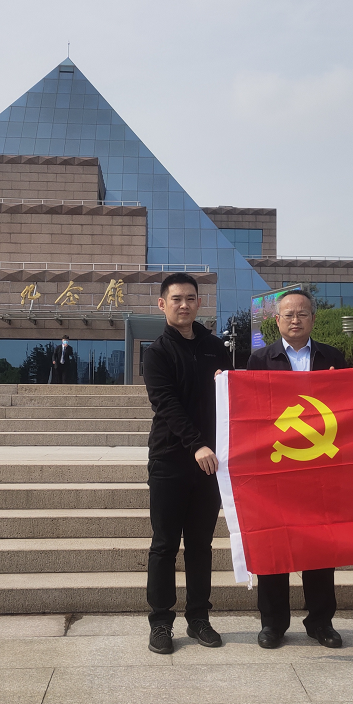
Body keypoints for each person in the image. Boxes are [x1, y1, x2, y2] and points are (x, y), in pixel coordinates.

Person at [246, 288, 346, 650]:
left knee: (320, 547)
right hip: (277, 468)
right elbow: (250, 414)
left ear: (313, 319)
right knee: (274, 544)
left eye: (302, 313)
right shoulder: (260, 360)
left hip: (321, 468)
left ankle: (321, 621)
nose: (294, 319)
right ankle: (273, 623)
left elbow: (351, 410)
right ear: (276, 320)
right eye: (287, 314)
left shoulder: (332, 358)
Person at [142, 272, 232, 654]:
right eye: (176, 298)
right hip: (170, 461)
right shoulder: (157, 352)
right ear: (162, 304)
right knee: (164, 544)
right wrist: (197, 444)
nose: (184, 304)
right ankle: (161, 622)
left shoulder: (216, 347)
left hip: (210, 464)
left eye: (191, 298)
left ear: (199, 303)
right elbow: (167, 405)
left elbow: (232, 397)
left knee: (200, 544)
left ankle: (199, 618)